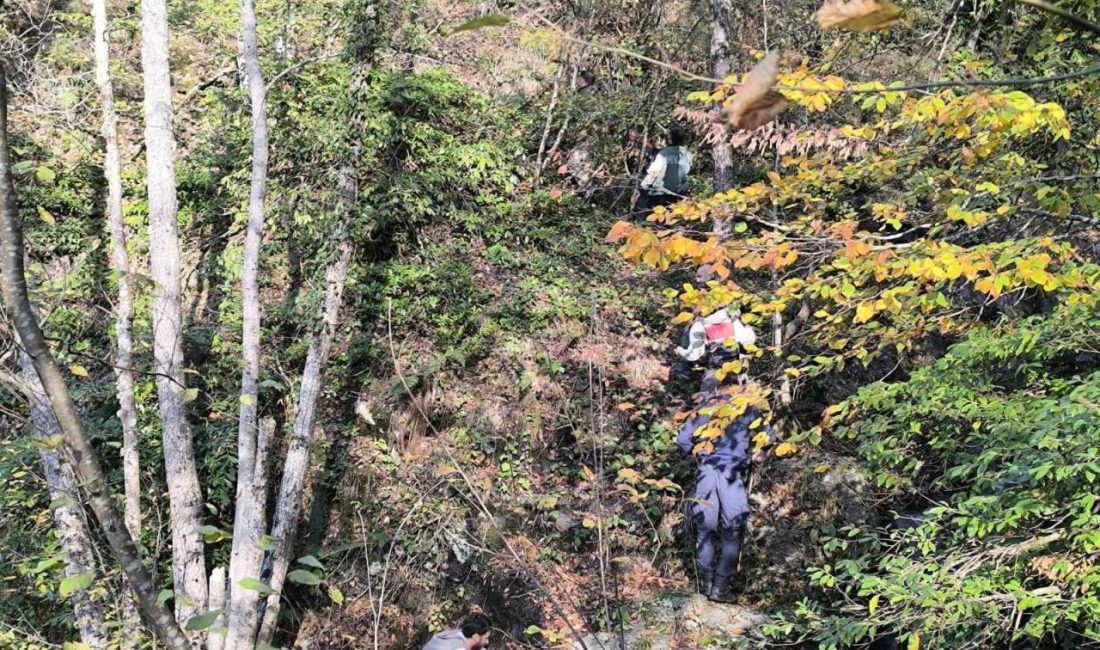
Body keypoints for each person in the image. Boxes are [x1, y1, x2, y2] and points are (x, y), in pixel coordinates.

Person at [677, 380, 771, 603]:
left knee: (705, 530)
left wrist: (698, 454)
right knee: (733, 529)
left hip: (706, 473)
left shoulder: (703, 409)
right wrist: (758, 454)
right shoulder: (747, 408)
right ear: (737, 387)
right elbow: (766, 439)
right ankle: (720, 587)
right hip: (732, 476)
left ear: (717, 388)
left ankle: (705, 584)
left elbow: (682, 441)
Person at [635, 123, 693, 221]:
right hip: (678, 194)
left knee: (642, 204)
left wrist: (643, 186)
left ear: (670, 138)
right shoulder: (687, 154)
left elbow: (654, 173)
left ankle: (641, 226)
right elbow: (686, 173)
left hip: (660, 193)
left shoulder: (664, 153)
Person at [422, 612, 491, 650]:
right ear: (476, 636)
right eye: (486, 638)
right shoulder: (459, 648)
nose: (487, 642)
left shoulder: (455, 634)